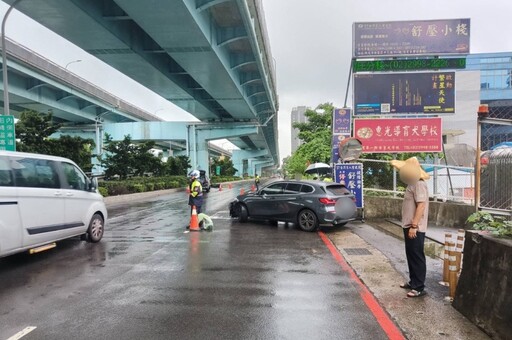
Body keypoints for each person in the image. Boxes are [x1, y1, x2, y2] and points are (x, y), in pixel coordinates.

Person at [391, 157, 430, 298]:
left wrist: (414, 225)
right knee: (411, 254)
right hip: (409, 225)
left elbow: (421, 205)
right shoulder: (412, 183)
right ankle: (413, 281)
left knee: (417, 255)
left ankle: (419, 287)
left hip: (415, 227)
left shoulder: (419, 184)